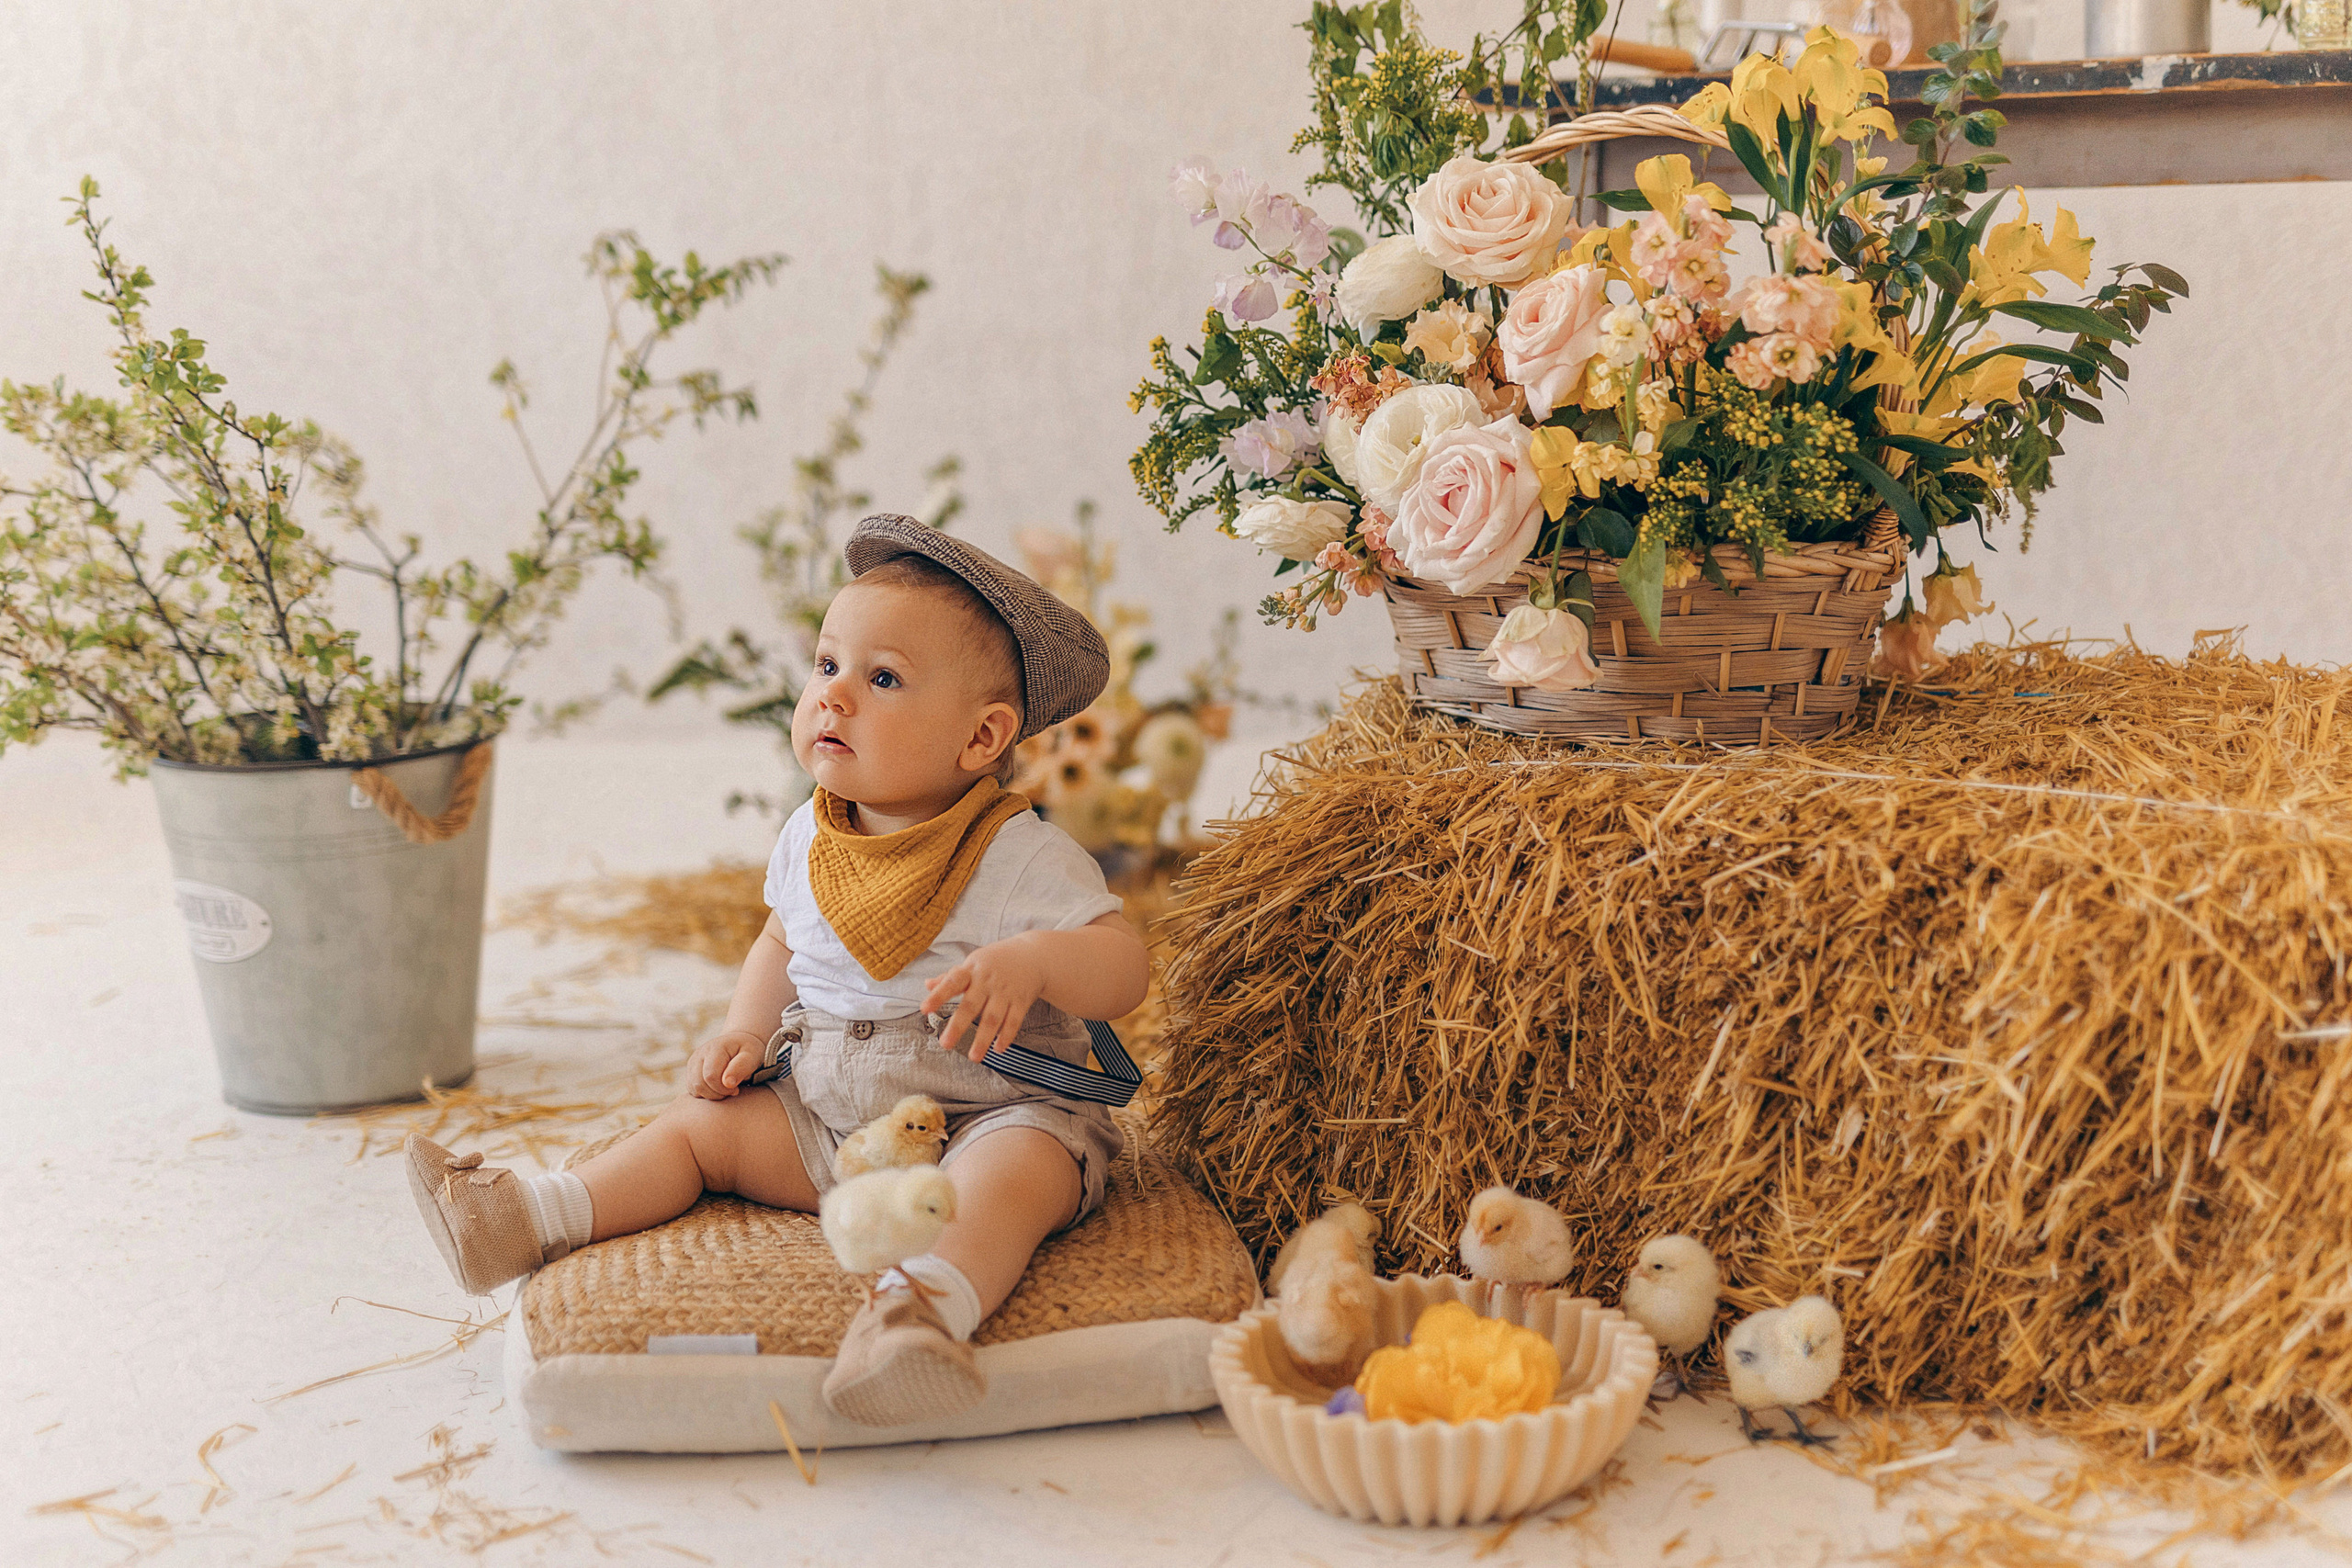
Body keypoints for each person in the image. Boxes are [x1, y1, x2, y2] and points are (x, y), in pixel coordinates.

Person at [402, 514, 1149, 1427]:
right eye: (827, 666)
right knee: (696, 1133)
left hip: (982, 1113)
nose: (832, 699)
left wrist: (1037, 961)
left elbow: (1123, 968)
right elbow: (780, 945)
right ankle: (530, 1216)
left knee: (1018, 1178)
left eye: (882, 680)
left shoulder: (1019, 858)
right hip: (831, 1125)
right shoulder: (810, 836)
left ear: (981, 737)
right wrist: (745, 1033)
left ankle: (916, 1316)